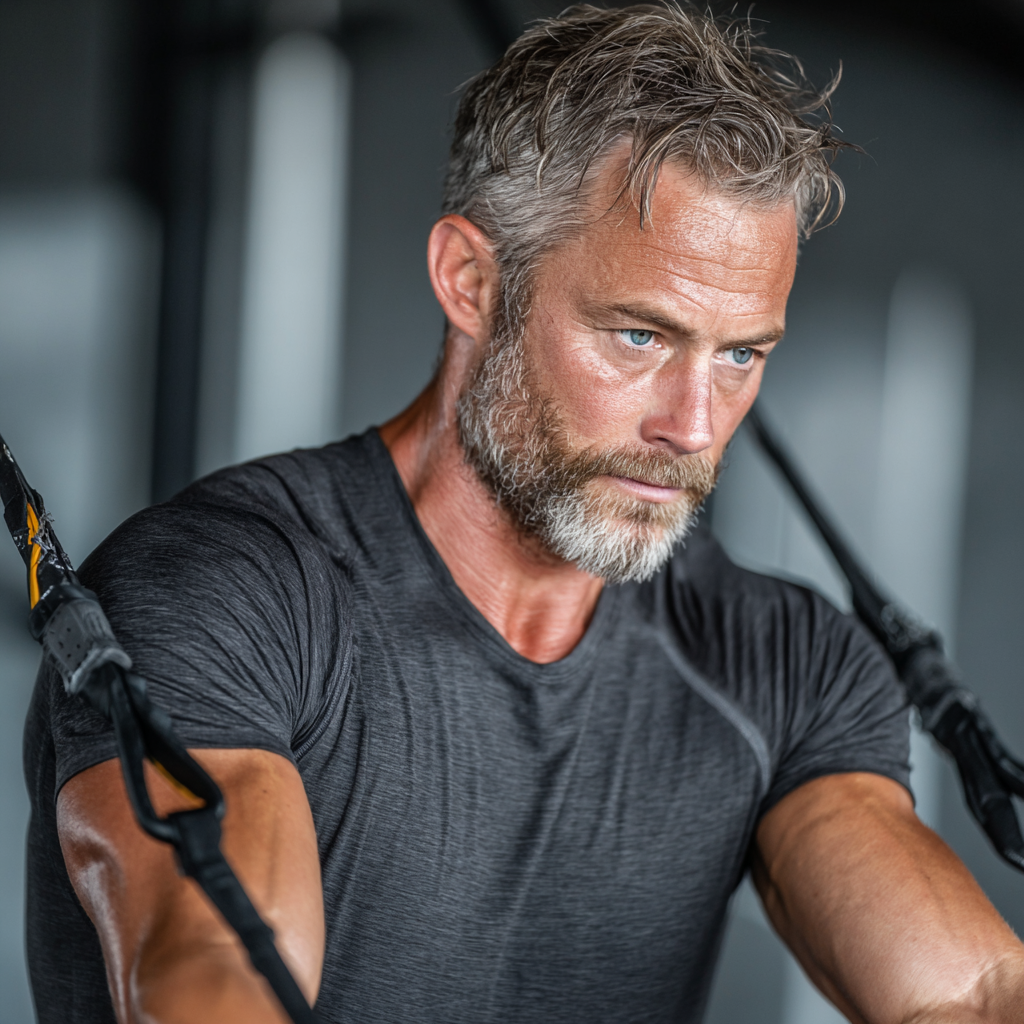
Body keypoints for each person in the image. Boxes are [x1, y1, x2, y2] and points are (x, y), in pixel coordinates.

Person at [24, 4, 1024, 1023]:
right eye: (638, 336)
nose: (692, 424)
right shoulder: (229, 595)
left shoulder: (780, 662)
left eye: (739, 355)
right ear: (471, 280)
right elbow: (212, 973)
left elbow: (975, 993)